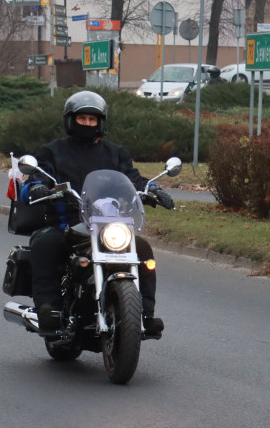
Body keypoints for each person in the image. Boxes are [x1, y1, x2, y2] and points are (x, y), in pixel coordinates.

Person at [20, 90, 174, 335]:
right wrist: (37, 186)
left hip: (109, 223)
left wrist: (152, 189)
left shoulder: (116, 152)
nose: (88, 124)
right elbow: (38, 175)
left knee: (142, 249)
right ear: (71, 120)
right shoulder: (52, 151)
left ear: (101, 122)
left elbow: (131, 178)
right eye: (82, 119)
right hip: (68, 223)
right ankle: (48, 308)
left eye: (93, 120)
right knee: (45, 243)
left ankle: (145, 315)